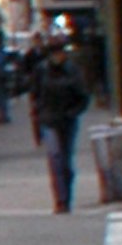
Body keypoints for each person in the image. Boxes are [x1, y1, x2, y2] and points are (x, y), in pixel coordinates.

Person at [30, 33, 92, 212]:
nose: (58, 56)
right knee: (55, 158)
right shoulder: (42, 70)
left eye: (60, 52)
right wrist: (38, 116)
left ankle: (67, 195)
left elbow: (83, 96)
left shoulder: (72, 70)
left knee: (65, 160)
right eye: (54, 52)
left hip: (67, 120)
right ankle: (60, 199)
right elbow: (35, 95)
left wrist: (73, 112)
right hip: (49, 120)